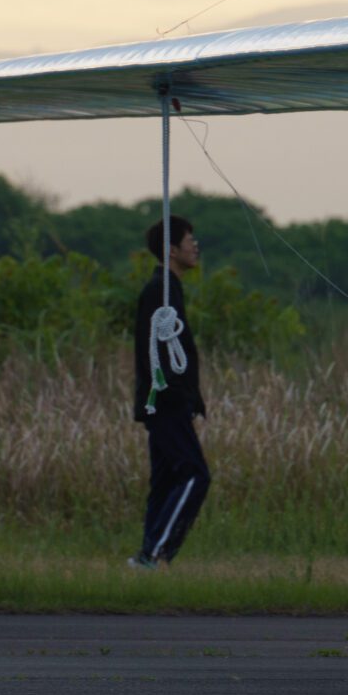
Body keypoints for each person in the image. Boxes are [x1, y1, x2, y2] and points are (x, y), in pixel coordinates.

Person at [131, 217, 211, 569]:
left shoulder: (170, 288)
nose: (195, 246)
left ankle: (146, 558)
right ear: (171, 249)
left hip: (171, 401)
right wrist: (178, 395)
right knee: (195, 474)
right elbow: (154, 352)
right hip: (164, 402)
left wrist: (194, 397)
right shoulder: (158, 290)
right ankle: (158, 554)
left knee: (166, 480)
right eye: (189, 240)